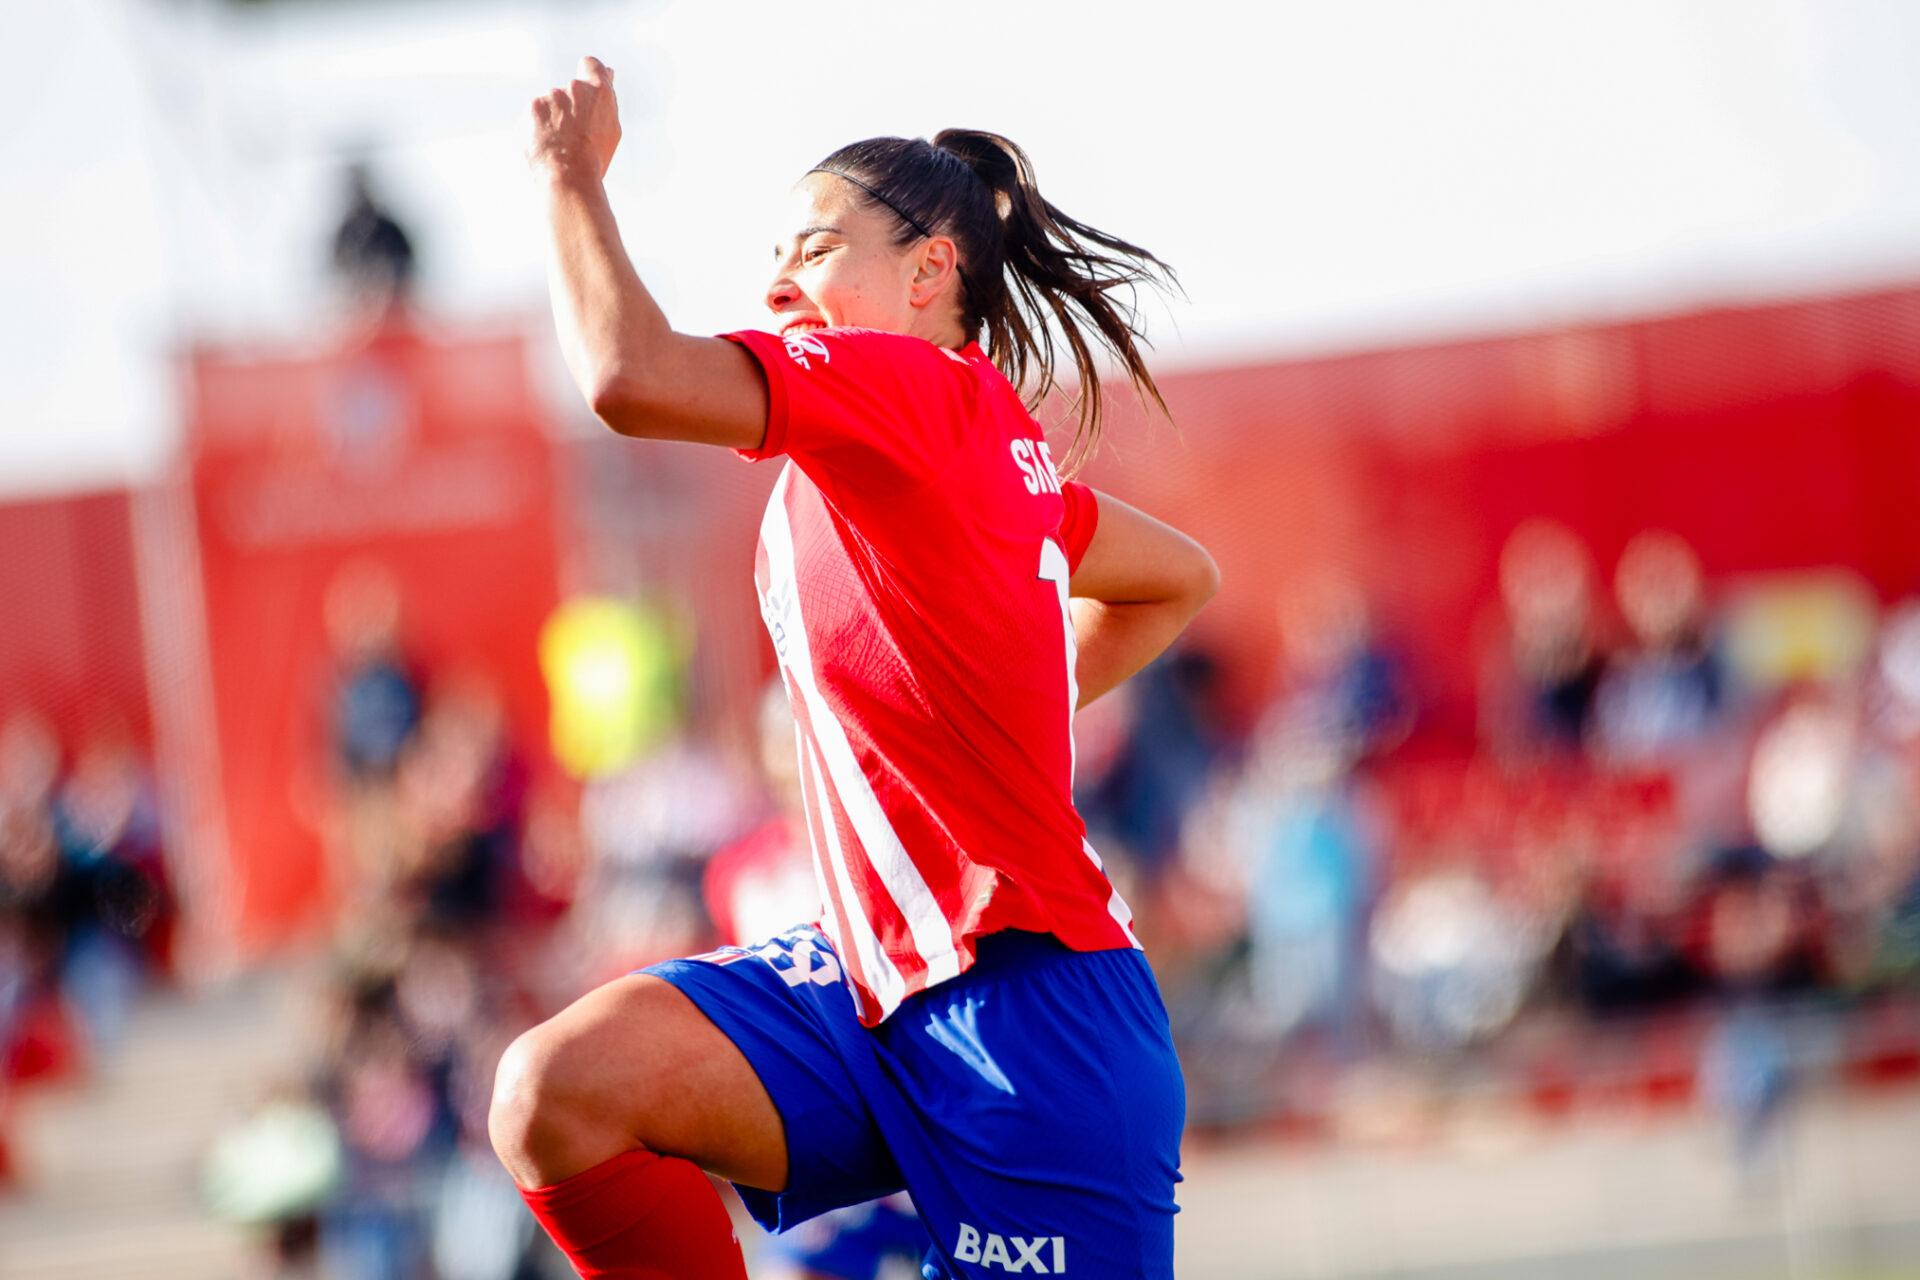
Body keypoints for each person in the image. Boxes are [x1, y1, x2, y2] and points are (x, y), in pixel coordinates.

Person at [489, 57, 1219, 1279]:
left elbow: (629, 373)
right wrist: (987, 703)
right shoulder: (960, 446)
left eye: (814, 248)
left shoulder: (915, 393)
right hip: (876, 978)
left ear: (932, 270)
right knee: (556, 1090)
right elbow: (1176, 576)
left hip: (1032, 1020)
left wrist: (569, 179)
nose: (777, 280)